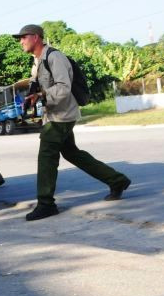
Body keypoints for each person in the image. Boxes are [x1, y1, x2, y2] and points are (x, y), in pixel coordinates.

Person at [14, 24, 131, 221]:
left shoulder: (54, 57)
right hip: (54, 114)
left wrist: (43, 94)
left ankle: (46, 203)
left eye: (23, 37)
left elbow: (63, 87)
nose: (21, 41)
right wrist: (34, 96)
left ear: (35, 37)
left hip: (62, 115)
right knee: (72, 153)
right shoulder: (37, 61)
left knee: (47, 156)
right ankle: (117, 180)